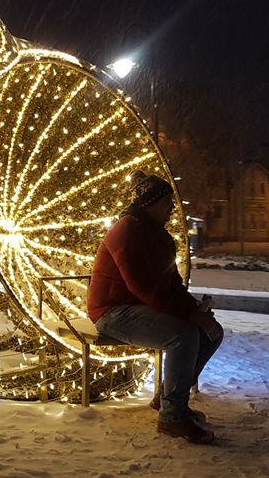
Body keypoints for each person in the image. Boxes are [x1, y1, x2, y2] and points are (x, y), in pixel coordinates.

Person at [87, 171, 224, 444]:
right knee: (182, 335)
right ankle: (173, 417)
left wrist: (196, 308)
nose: (172, 208)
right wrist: (188, 315)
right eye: (166, 203)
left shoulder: (158, 236)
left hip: (138, 307)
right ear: (149, 204)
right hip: (112, 312)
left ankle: (169, 399)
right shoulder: (126, 231)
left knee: (212, 332)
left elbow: (169, 283)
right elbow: (143, 287)